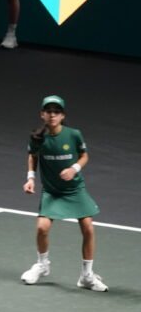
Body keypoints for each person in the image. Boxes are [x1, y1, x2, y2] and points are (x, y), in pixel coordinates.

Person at [21, 96, 108, 291]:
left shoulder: (74, 134)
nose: (52, 115)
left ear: (62, 116)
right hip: (52, 191)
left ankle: (86, 276)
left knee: (88, 227)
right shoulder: (37, 137)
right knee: (42, 228)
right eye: (48, 111)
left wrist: (74, 168)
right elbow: (32, 156)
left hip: (74, 189)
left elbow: (84, 155)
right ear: (42, 114)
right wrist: (30, 178)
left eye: (56, 112)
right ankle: (42, 266)